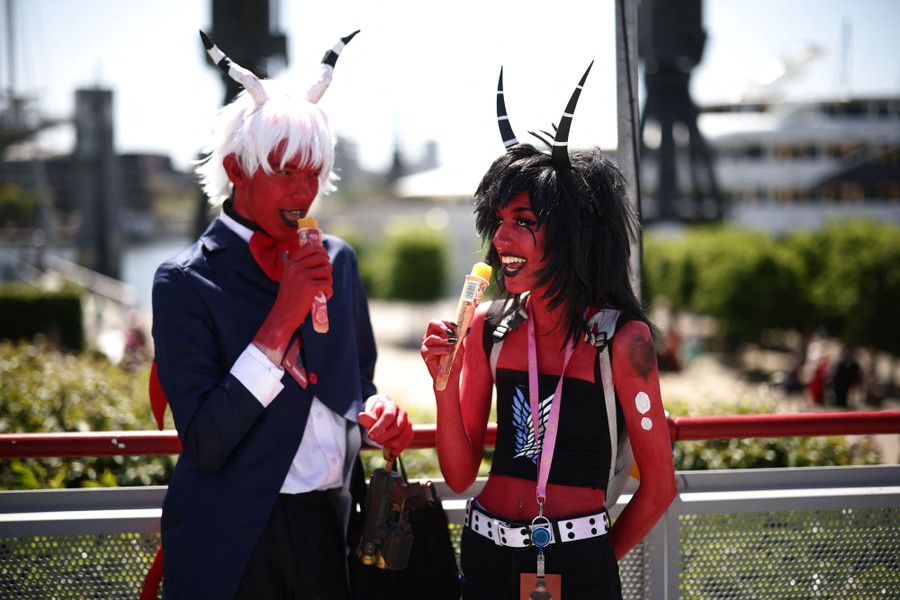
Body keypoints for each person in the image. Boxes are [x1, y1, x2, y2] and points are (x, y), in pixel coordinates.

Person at [149, 31, 413, 599]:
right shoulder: (183, 281)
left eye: (313, 172)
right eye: (286, 171)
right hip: (228, 541)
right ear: (237, 169)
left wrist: (377, 411)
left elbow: (355, 384)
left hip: (331, 528)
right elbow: (204, 441)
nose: (304, 191)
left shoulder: (338, 260)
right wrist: (281, 320)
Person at [421, 65, 677, 598]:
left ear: (569, 235)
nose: (501, 239)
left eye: (522, 222)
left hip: (577, 559)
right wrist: (442, 384)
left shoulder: (623, 340)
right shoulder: (488, 327)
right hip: (486, 549)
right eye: (498, 221)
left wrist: (593, 561)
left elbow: (659, 486)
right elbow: (461, 473)